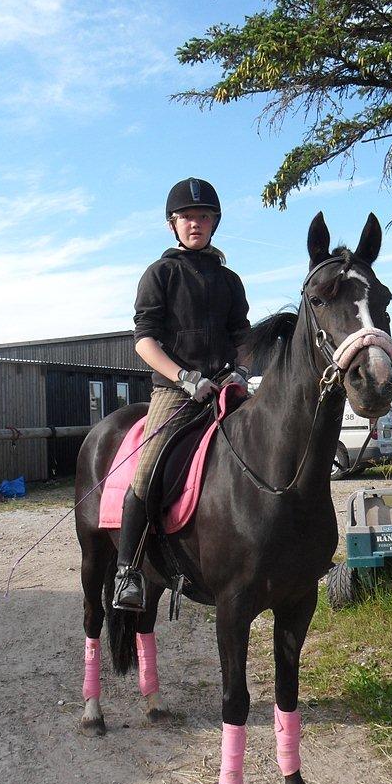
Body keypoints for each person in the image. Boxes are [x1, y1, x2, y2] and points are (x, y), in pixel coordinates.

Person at [112, 177, 251, 610]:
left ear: (215, 223)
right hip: (176, 392)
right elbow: (144, 340)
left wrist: (241, 372)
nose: (196, 223)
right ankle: (127, 572)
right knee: (147, 471)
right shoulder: (161, 274)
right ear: (173, 224)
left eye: (204, 216)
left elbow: (243, 335)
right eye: (187, 216)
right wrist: (184, 377)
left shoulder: (229, 280)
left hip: (225, 388)